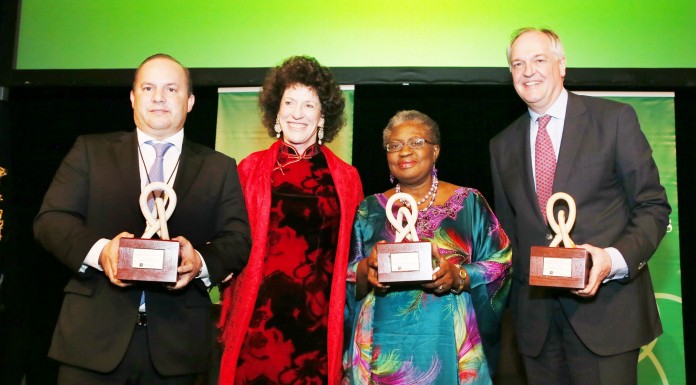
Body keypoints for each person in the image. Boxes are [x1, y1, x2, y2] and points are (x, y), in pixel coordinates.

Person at [34, 54, 252, 385]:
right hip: (91, 343)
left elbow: (237, 240)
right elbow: (51, 220)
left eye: (171, 89)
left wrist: (199, 262)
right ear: (133, 97)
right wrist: (103, 252)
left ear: (190, 101)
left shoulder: (219, 167)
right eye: (148, 87)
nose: (159, 97)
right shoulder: (90, 151)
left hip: (179, 350)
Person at [489, 28, 671, 385]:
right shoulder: (502, 145)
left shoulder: (614, 119)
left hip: (607, 316)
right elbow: (508, 236)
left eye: (539, 60)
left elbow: (652, 207)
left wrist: (610, 260)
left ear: (562, 65)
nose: (528, 71)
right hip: (536, 327)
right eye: (517, 63)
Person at [217, 55, 364, 385]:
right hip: (257, 324)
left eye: (309, 105)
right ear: (277, 111)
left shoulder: (346, 178)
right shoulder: (249, 169)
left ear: (323, 114)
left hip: (318, 328)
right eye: (290, 102)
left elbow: (354, 257)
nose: (298, 113)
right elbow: (230, 243)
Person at [343, 110, 512, 384]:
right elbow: (347, 276)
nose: (404, 151)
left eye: (416, 142)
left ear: (435, 151)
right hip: (382, 348)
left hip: (448, 344)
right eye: (394, 145)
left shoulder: (469, 202)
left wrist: (458, 276)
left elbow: (501, 262)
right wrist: (367, 271)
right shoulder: (369, 210)